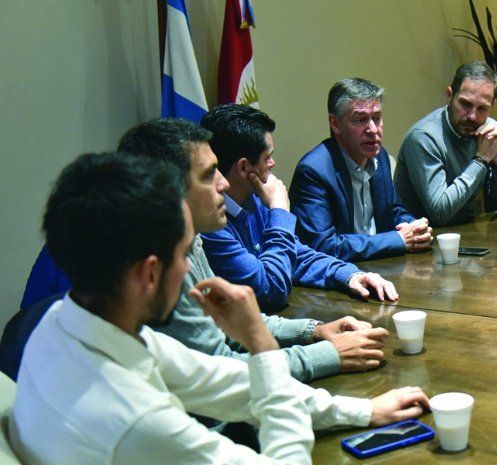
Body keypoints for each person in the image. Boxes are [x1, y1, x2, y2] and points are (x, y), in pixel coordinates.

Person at [10, 152, 430, 464]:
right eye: (184, 254)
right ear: (149, 274)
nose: (190, 268)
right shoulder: (138, 423)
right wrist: (262, 345)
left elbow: (226, 383)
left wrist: (362, 411)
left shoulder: (61, 324)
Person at [118, 118, 389, 382]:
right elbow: (224, 363)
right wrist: (326, 355)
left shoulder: (197, 237)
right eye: (209, 174)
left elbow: (231, 320)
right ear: (170, 191)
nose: (223, 183)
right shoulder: (178, 253)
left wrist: (314, 329)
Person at [200, 104, 399, 312]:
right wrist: (279, 211)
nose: (272, 163)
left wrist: (350, 275)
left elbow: (296, 255)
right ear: (243, 167)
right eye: (267, 157)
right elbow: (270, 291)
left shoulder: (253, 200)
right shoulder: (210, 226)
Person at [289, 78, 432, 262]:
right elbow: (323, 246)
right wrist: (397, 240)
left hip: (381, 265)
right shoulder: (313, 171)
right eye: (360, 120)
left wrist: (413, 227)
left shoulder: (379, 156)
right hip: (341, 273)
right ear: (335, 124)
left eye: (377, 118)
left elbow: (392, 210)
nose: (373, 129)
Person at [393, 61, 497, 226]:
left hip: (468, 232)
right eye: (465, 104)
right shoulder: (424, 137)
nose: (472, 117)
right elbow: (440, 214)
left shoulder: (485, 131)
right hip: (424, 236)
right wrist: (481, 160)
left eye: (482, 108)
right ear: (449, 96)